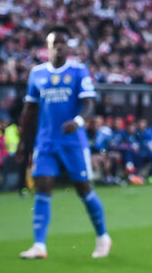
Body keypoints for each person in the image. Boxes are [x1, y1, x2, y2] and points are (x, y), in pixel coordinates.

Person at [16, 28, 112, 259]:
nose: (59, 46)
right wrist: (22, 142)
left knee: (83, 188)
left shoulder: (78, 70)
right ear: (47, 47)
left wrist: (78, 121)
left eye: (62, 42)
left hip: (73, 142)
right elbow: (29, 109)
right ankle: (39, 245)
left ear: (67, 47)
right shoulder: (37, 73)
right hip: (46, 141)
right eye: (54, 43)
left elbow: (89, 103)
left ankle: (102, 236)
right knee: (42, 186)